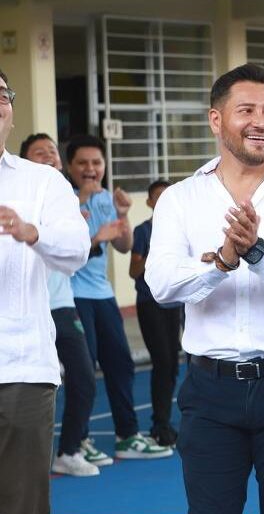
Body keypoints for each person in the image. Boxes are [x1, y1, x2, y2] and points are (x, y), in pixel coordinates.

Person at [146, 63, 264, 514]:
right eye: (247, 110)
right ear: (217, 120)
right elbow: (161, 285)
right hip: (210, 390)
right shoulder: (181, 198)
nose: (262, 122)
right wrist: (223, 261)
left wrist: (256, 253)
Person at [0, 73, 90, 514]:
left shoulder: (42, 183)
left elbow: (75, 251)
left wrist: (33, 233)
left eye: (2, 95)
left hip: (20, 368)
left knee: (22, 508)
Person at [66, 133, 172, 461]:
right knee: (85, 369)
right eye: (82, 163)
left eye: (96, 162)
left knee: (121, 363)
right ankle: (78, 439)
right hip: (73, 295)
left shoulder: (105, 200)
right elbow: (66, 253)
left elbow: (123, 246)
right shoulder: (64, 200)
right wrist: (87, 215)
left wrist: (123, 214)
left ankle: (127, 435)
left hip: (102, 293)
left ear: (104, 165)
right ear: (70, 166)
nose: (90, 169)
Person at [20, 133, 100, 477]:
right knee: (27, 389)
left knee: (84, 376)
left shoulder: (64, 197)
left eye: (53, 152)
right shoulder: (20, 195)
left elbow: (78, 250)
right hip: (28, 305)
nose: (50, 157)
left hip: (63, 304)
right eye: (40, 153)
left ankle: (68, 450)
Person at [128, 179, 185, 446]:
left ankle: (166, 421)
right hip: (150, 302)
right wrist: (155, 254)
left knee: (173, 363)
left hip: (176, 303)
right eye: (157, 198)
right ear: (150, 203)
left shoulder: (183, 231)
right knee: (162, 361)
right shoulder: (142, 231)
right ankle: (159, 425)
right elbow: (132, 271)